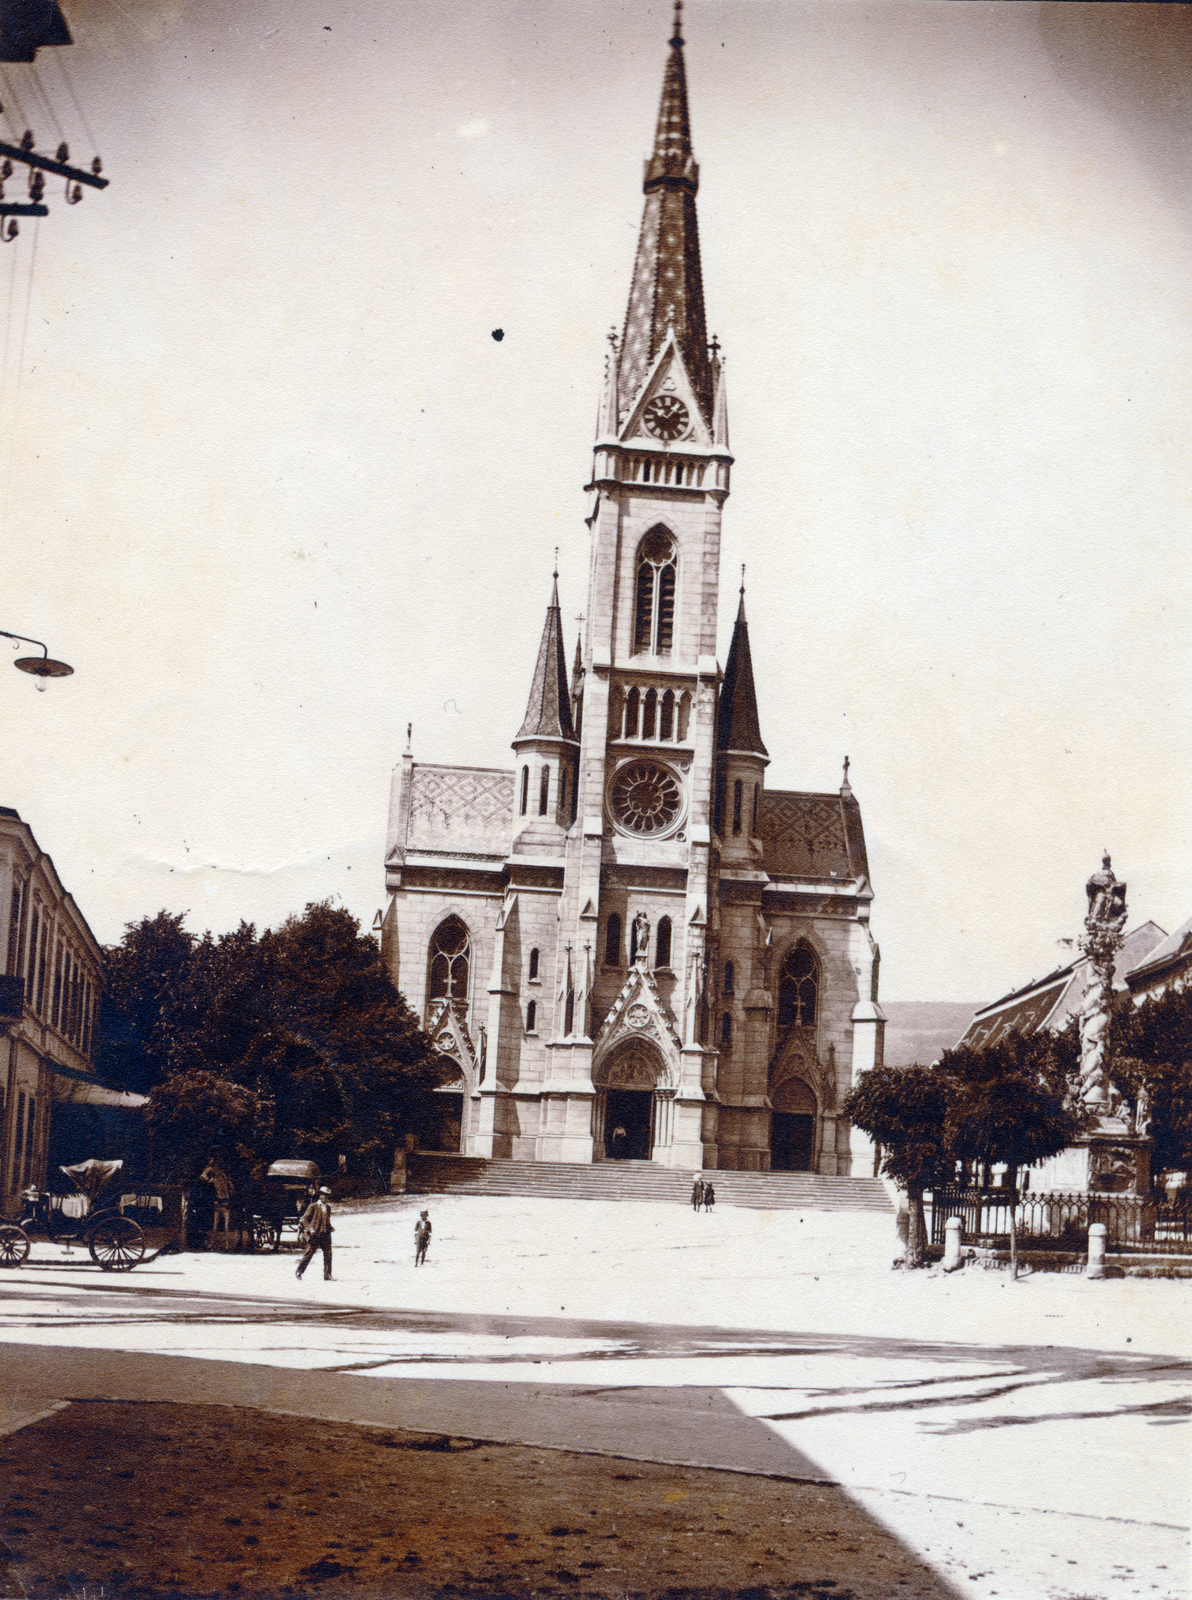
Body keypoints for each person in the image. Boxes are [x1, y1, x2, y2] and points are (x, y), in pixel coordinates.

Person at [295, 1186, 334, 1281]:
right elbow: (304, 1219)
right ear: (320, 1195)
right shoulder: (313, 1206)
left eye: (327, 1196)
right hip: (315, 1234)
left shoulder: (328, 1208)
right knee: (309, 1253)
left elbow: (326, 1220)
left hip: (325, 1234)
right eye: (324, 1195)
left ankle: (327, 1275)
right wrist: (310, 1229)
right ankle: (299, 1271)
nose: (326, 1197)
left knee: (328, 1254)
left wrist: (330, 1227)